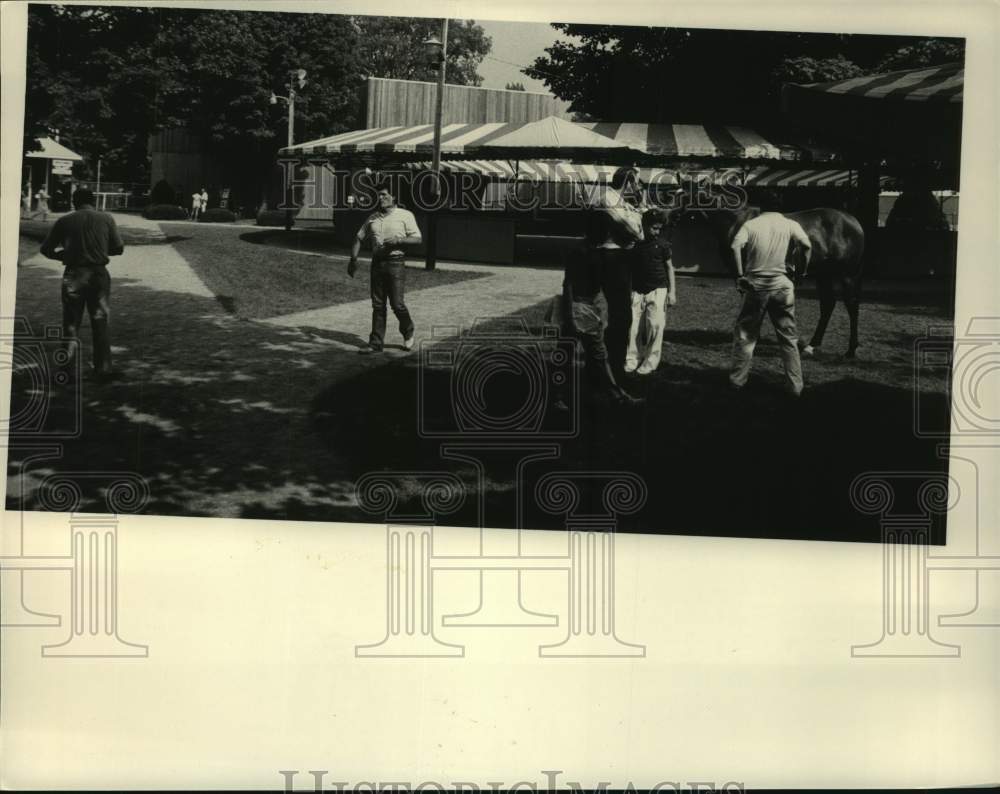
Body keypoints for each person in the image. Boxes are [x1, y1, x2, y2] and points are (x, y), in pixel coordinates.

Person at [40, 187, 125, 381]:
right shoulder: (106, 219)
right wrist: (100, 251)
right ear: (93, 201)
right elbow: (118, 248)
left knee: (71, 323)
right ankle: (103, 369)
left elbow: (46, 249)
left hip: (74, 273)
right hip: (98, 273)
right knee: (100, 320)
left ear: (73, 201)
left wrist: (62, 255)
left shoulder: (65, 221)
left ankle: (67, 371)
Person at [728, 208, 812, 396]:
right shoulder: (790, 224)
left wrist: (740, 275)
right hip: (782, 286)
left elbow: (734, 246)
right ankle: (796, 386)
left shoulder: (751, 224)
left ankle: (737, 381)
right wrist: (802, 272)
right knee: (789, 338)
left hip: (755, 285)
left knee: (745, 335)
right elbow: (807, 246)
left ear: (761, 208)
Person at [582, 166, 646, 385]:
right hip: (609, 258)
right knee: (616, 316)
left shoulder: (621, 201)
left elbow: (639, 227)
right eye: (637, 182)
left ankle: (610, 365)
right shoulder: (608, 199)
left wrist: (637, 212)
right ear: (628, 182)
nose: (639, 187)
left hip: (618, 258)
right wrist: (637, 220)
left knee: (621, 316)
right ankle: (606, 368)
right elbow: (634, 231)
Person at [348, 182, 421, 354]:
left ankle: (408, 331)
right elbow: (359, 237)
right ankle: (375, 343)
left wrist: (399, 241)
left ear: (394, 197)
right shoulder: (373, 218)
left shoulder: (405, 215)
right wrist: (353, 260)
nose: (380, 198)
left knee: (397, 304)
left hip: (396, 263)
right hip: (377, 264)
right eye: (379, 195)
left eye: (384, 195)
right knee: (378, 305)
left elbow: (417, 239)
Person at [625, 208, 676, 375]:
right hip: (637, 290)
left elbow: (669, 268)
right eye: (654, 227)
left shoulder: (663, 245)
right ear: (644, 225)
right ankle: (632, 359)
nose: (657, 231)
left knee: (655, 325)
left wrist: (672, 292)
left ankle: (650, 362)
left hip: (658, 289)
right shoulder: (634, 245)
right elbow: (629, 269)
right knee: (633, 327)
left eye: (659, 228)